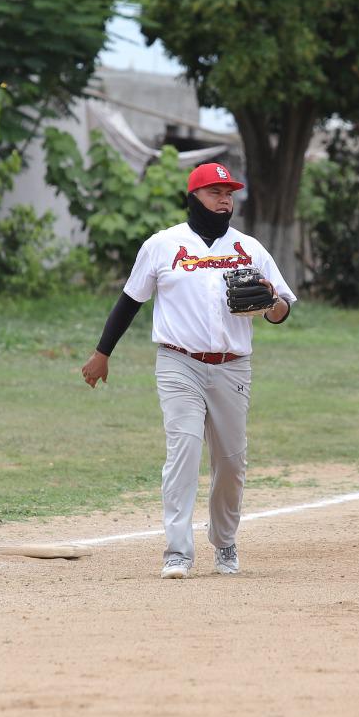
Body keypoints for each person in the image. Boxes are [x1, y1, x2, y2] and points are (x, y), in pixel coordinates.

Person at [80, 162, 297, 579]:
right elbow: (130, 301)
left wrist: (272, 301)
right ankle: (177, 551)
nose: (225, 200)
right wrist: (102, 352)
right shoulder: (163, 245)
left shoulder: (250, 249)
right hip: (178, 363)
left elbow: (281, 310)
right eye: (215, 192)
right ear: (193, 197)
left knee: (231, 462)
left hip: (232, 367)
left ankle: (225, 541)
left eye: (229, 193)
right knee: (184, 452)